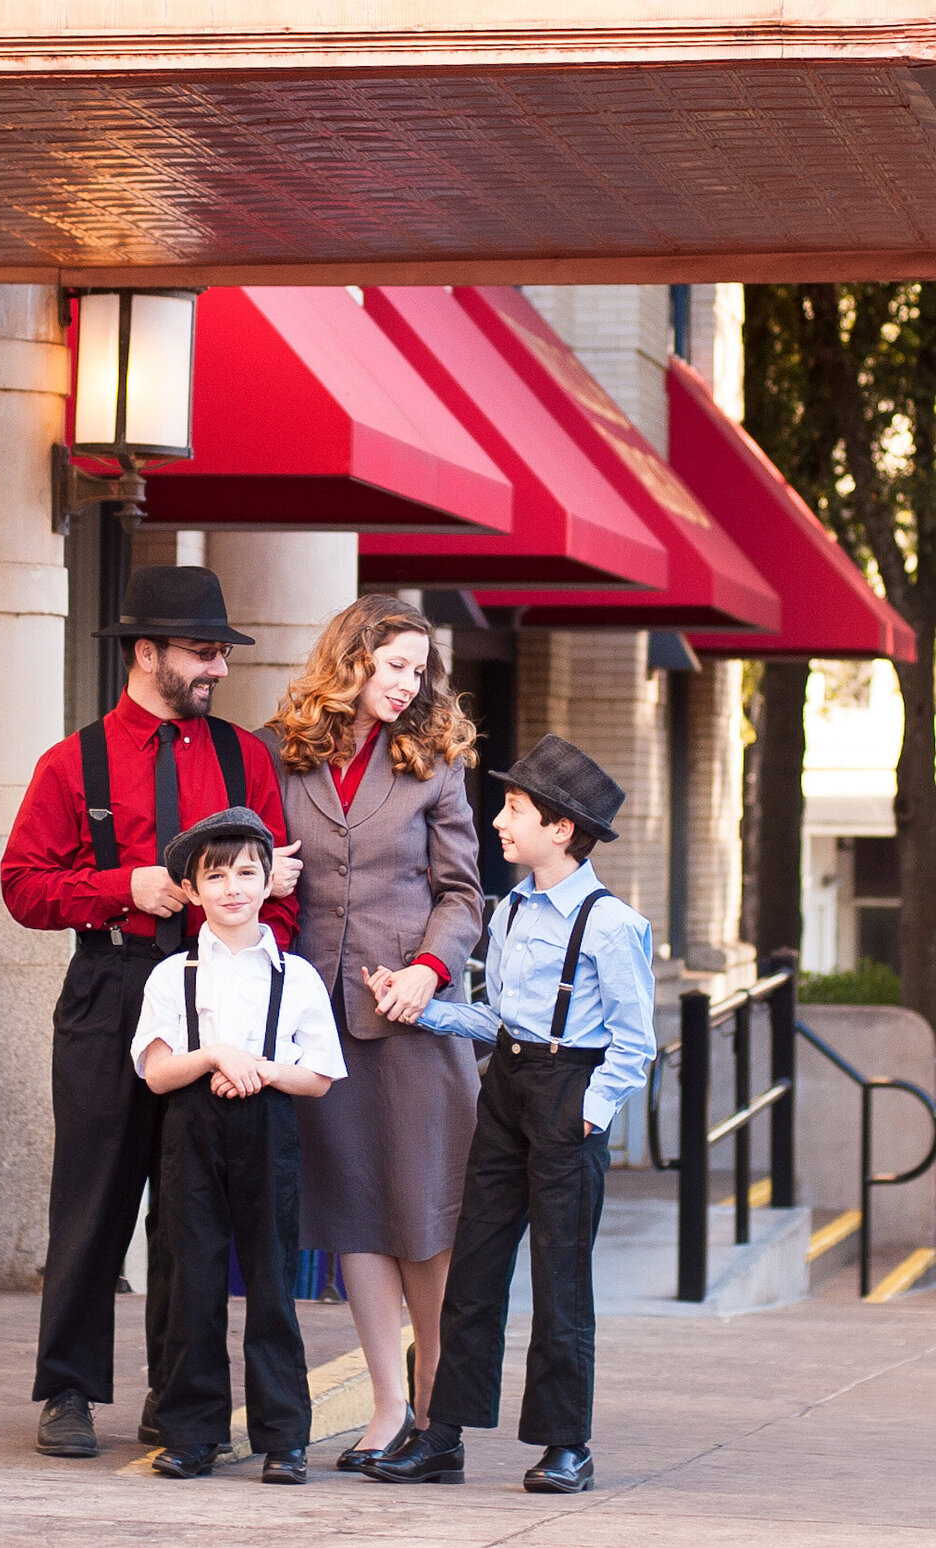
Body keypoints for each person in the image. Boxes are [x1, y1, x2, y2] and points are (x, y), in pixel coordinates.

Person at [1, 564, 297, 1459]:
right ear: (146, 652)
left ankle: (180, 1401)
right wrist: (116, 888)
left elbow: (281, 894)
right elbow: (22, 886)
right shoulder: (71, 761)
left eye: (220, 651)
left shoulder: (247, 757)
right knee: (92, 1198)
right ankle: (66, 1390)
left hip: (214, 995)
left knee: (191, 1210)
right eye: (202, 651)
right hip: (112, 988)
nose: (218, 667)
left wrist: (250, 975)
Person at [363, 734, 656, 1494]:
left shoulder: (611, 924)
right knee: (476, 1267)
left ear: (561, 829)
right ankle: (442, 1436)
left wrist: (590, 1113)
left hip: (569, 1096)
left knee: (563, 1280)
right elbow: (499, 1019)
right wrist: (423, 1009)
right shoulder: (512, 912)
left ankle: (567, 1446)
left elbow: (636, 1042)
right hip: (506, 1091)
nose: (499, 821)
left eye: (515, 810)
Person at [261, 594, 483, 1470]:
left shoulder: (434, 761)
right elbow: (251, 862)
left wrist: (430, 973)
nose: (408, 684)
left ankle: (438, 1411)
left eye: (418, 670)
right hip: (320, 1015)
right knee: (354, 1211)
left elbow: (463, 892)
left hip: (413, 1017)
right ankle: (388, 1408)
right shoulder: (285, 751)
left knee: (424, 1215)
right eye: (394, 666)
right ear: (350, 659)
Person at [132, 806, 346, 1484]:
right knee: (191, 1281)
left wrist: (256, 1070)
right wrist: (219, 1055)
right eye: (215, 875)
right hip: (191, 1132)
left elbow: (318, 1076)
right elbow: (160, 1070)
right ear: (191, 890)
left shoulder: (295, 975)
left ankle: (284, 1437)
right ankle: (193, 1434)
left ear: (269, 882)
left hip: (270, 1127)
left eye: (247, 873)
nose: (232, 888)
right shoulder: (173, 975)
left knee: (274, 1282)